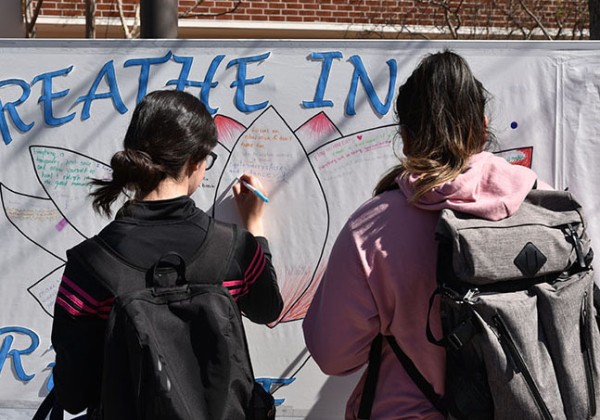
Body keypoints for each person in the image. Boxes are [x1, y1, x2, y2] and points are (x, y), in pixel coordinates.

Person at [302, 50, 546, 419]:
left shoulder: (372, 228)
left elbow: (333, 355)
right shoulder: (543, 205)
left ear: (405, 136)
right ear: (482, 127)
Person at [51, 89, 283, 417]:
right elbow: (267, 308)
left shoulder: (91, 264)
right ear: (194, 163)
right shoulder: (234, 248)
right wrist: (254, 228)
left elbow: (74, 393)